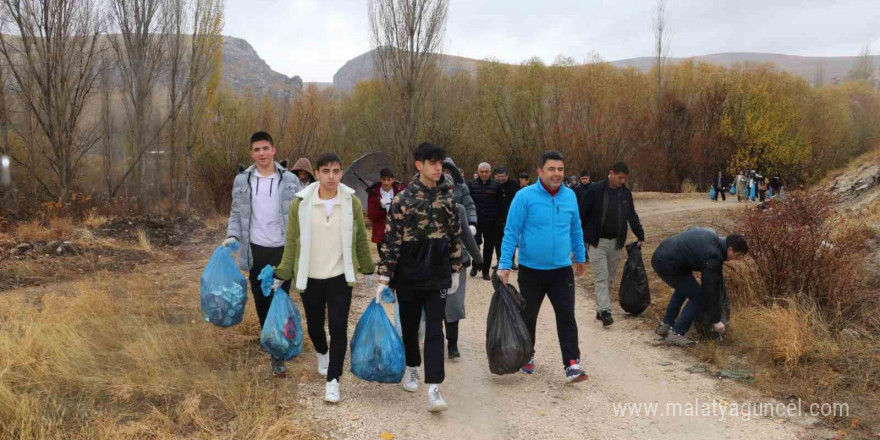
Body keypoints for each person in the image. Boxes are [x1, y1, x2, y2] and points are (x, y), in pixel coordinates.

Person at [271, 152, 374, 403]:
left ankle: (333, 380)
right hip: (310, 276)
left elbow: (360, 239)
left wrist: (370, 271)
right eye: (325, 171)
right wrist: (282, 274)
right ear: (316, 173)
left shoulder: (351, 202)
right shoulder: (301, 203)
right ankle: (322, 353)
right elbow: (292, 241)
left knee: (338, 327)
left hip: (339, 276)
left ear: (341, 173)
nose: (331, 176)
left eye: (336, 171)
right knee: (316, 327)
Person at [376, 142, 462, 413]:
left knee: (436, 330)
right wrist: (384, 277)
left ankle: (434, 388)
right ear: (419, 165)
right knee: (410, 325)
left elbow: (454, 235)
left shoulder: (448, 197)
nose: (438, 168)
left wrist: (456, 269)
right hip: (409, 275)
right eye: (433, 163)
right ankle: (412, 366)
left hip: (438, 275)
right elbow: (391, 241)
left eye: (440, 163)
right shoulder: (403, 200)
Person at [497, 150, 588, 383]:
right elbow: (511, 232)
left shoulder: (569, 197)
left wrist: (580, 256)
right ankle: (527, 355)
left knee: (566, 315)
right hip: (531, 270)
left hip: (561, 270)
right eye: (551, 169)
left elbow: (576, 228)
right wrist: (504, 264)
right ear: (540, 171)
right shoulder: (524, 197)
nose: (557, 174)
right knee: (528, 315)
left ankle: (572, 364)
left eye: (560, 169)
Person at [223, 132, 302, 377]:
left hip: (282, 249)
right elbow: (236, 213)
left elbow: (301, 213)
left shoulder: (289, 180)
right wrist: (233, 236)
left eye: (265, 148)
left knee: (280, 296)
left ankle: (279, 352)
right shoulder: (242, 181)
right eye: (257, 149)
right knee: (261, 300)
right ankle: (271, 341)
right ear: (251, 154)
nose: (262, 153)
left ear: (273, 150)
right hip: (255, 249)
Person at [652, 228, 748, 347]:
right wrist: (716, 320)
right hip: (667, 263)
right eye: (737, 255)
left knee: (685, 288)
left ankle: (665, 325)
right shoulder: (713, 255)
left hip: (665, 256)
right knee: (699, 298)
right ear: (730, 249)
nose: (736, 259)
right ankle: (677, 334)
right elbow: (710, 289)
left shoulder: (713, 237)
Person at [579, 161, 645, 327]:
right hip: (596, 241)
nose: (622, 181)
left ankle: (601, 309)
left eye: (624, 179)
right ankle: (606, 311)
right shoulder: (596, 190)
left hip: (616, 242)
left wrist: (640, 234)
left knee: (609, 278)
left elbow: (632, 215)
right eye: (620, 177)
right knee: (601, 276)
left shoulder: (625, 194)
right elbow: (581, 213)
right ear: (611, 173)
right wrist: (579, 236)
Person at [445, 200, 483, 359]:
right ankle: (433, 342)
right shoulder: (423, 205)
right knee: (433, 306)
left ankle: (452, 343)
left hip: (456, 263)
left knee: (453, 305)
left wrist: (477, 257)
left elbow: (466, 235)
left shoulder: (458, 209)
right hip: (430, 264)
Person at [468, 162, 502, 280]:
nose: (483, 174)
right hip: (475, 222)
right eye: (481, 172)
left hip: (490, 222)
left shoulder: (496, 185)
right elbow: (468, 203)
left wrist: (498, 220)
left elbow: (499, 204)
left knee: (489, 247)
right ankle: (475, 265)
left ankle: (485, 271)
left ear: (490, 172)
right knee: (474, 245)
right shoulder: (471, 185)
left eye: (486, 172)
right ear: (478, 172)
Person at [366, 168, 405, 254]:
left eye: (389, 180)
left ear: (393, 180)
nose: (386, 183)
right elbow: (371, 216)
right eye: (384, 180)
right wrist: (381, 208)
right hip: (381, 233)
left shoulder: (401, 191)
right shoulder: (373, 193)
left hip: (398, 232)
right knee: (384, 260)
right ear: (380, 180)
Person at [494, 166, 520, 271]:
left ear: (507, 175)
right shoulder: (494, 185)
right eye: (499, 176)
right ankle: (499, 260)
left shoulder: (514, 185)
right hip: (497, 216)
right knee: (497, 240)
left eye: (503, 176)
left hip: (511, 215)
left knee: (511, 239)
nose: (501, 179)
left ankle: (511, 260)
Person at [442, 157, 478, 229]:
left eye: (448, 171)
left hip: (458, 226)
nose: (445, 174)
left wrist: (472, 222)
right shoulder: (432, 187)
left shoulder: (462, 187)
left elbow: (469, 206)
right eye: (443, 171)